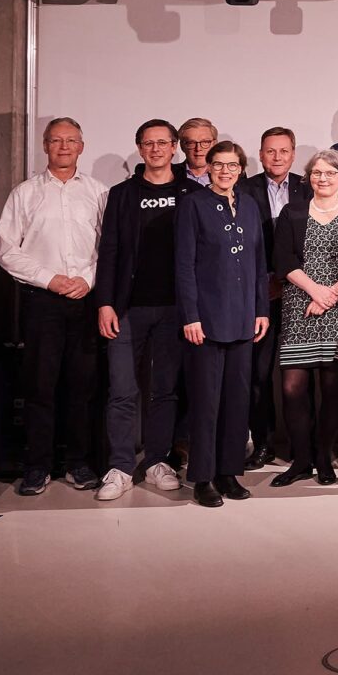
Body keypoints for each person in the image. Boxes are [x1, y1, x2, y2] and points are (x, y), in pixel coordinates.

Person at [91, 119, 202, 500]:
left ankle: (158, 461)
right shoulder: (122, 194)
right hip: (127, 309)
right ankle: (120, 466)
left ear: (175, 147)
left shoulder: (191, 192)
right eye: (148, 143)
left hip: (175, 309)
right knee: (122, 390)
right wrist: (105, 302)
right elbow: (108, 252)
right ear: (140, 149)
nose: (156, 149)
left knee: (165, 391)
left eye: (163, 143)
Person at [0, 117, 106, 496]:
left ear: (81, 146)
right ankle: (37, 466)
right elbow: (7, 250)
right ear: (45, 146)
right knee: (40, 387)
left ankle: (78, 463)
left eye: (70, 140)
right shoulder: (25, 193)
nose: (63, 146)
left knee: (83, 386)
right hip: (42, 302)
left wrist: (87, 280)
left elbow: (111, 248)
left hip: (85, 302)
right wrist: (51, 279)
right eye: (56, 140)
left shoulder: (98, 192)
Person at [175, 141, 270, 508]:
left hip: (244, 318)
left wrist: (261, 309)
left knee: (237, 399)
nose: (225, 171)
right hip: (207, 320)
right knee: (206, 401)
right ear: (208, 168)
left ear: (241, 169)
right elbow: (184, 265)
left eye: (232, 165)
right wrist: (191, 316)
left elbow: (259, 264)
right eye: (218, 165)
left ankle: (229, 471)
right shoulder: (193, 205)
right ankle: (203, 476)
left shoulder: (249, 204)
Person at [266, 149, 338, 492]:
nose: (322, 178)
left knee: (333, 390)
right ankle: (301, 460)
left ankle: (323, 457)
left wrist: (330, 294)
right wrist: (314, 292)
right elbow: (283, 259)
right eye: (317, 173)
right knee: (292, 389)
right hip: (298, 304)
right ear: (309, 177)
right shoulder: (293, 212)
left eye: (330, 173)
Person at [242, 126, 310, 470]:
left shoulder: (310, 186)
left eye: (284, 151)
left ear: (293, 153)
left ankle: (304, 445)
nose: (277, 157)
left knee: (305, 370)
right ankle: (264, 443)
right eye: (270, 151)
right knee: (260, 372)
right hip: (262, 293)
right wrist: (265, 281)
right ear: (261, 153)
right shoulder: (244, 188)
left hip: (304, 292)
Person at [177, 117, 218, 186]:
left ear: (215, 144)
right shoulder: (168, 175)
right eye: (191, 142)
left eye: (205, 142)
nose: (198, 148)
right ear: (182, 146)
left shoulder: (229, 176)